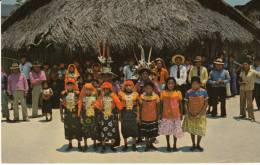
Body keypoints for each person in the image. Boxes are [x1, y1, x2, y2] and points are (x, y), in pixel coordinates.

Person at [95, 82, 123, 153]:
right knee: (103, 132)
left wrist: (119, 112)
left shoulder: (113, 95)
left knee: (112, 131)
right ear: (103, 89)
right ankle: (103, 146)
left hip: (111, 116)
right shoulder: (101, 96)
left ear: (110, 89)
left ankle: (112, 146)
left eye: (107, 89)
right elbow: (97, 104)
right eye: (105, 89)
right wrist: (101, 109)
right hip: (104, 117)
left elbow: (119, 104)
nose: (106, 90)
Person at [182, 76, 208, 151]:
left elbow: (206, 104)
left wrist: (200, 114)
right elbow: (185, 104)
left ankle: (198, 144)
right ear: (191, 84)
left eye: (197, 84)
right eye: (193, 84)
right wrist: (188, 113)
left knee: (200, 130)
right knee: (192, 130)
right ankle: (193, 144)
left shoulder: (204, 92)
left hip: (201, 115)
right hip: (191, 114)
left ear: (200, 84)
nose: (195, 85)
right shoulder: (188, 92)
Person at [159, 77, 184, 152]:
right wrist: (160, 113)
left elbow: (180, 104)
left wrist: (181, 113)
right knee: (167, 131)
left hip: (176, 115)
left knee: (175, 131)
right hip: (166, 115)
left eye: (172, 83)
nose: (170, 85)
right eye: (169, 83)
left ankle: (175, 145)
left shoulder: (178, 92)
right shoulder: (163, 92)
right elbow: (161, 104)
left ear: (174, 84)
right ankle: (168, 144)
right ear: (166, 84)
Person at [60, 79, 82, 151]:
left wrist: (81, 115)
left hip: (76, 114)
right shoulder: (63, 93)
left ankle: (79, 144)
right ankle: (70, 144)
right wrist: (61, 115)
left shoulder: (77, 93)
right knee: (68, 129)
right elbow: (61, 105)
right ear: (66, 86)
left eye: (71, 85)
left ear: (74, 85)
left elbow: (80, 104)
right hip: (67, 114)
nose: (69, 86)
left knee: (78, 128)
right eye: (68, 85)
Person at [118, 80, 139, 152]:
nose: (128, 87)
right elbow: (120, 106)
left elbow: (138, 105)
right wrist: (120, 115)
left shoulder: (136, 94)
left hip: (133, 114)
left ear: (133, 86)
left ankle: (134, 145)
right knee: (124, 129)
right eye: (126, 85)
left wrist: (138, 116)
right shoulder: (121, 94)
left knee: (134, 129)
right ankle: (125, 145)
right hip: (124, 113)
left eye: (130, 85)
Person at [78, 83, 99, 152]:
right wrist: (80, 117)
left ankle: (95, 144)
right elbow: (80, 108)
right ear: (84, 90)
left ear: (92, 90)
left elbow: (97, 107)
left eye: (90, 90)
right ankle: (85, 145)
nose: (88, 91)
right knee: (85, 130)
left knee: (94, 130)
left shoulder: (94, 97)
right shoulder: (82, 98)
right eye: (86, 90)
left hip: (93, 116)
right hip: (85, 117)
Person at [139, 81, 160, 151]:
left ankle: (151, 144)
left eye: (150, 88)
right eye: (146, 88)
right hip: (144, 118)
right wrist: (139, 116)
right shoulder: (142, 97)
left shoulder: (156, 96)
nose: (148, 89)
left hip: (153, 117)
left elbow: (157, 107)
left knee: (152, 133)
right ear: (144, 89)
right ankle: (147, 145)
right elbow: (140, 107)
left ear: (152, 89)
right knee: (146, 133)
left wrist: (158, 115)